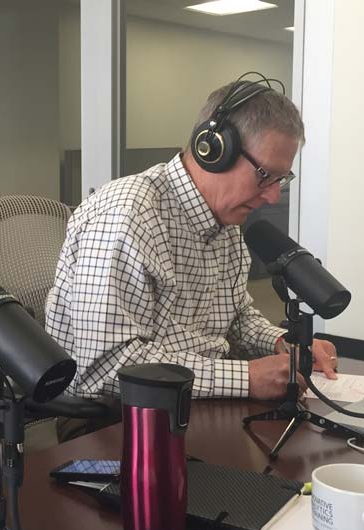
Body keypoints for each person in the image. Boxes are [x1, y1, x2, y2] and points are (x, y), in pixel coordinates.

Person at [45, 77, 338, 431]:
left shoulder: (225, 222)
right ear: (213, 150)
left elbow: (236, 317)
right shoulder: (127, 214)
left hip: (197, 406)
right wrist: (245, 377)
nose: (274, 196)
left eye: (282, 179)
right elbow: (104, 367)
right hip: (116, 421)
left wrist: (281, 343)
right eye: (265, 175)